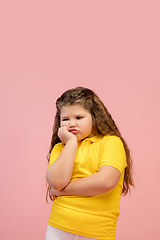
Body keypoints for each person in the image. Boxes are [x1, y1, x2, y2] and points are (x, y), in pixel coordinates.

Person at [45, 87, 134, 240]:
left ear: (95, 117)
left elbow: (105, 181)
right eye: (65, 119)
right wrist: (71, 143)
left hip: (97, 231)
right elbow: (57, 182)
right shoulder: (61, 148)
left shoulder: (110, 142)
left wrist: (63, 191)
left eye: (79, 117)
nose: (71, 123)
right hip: (58, 225)